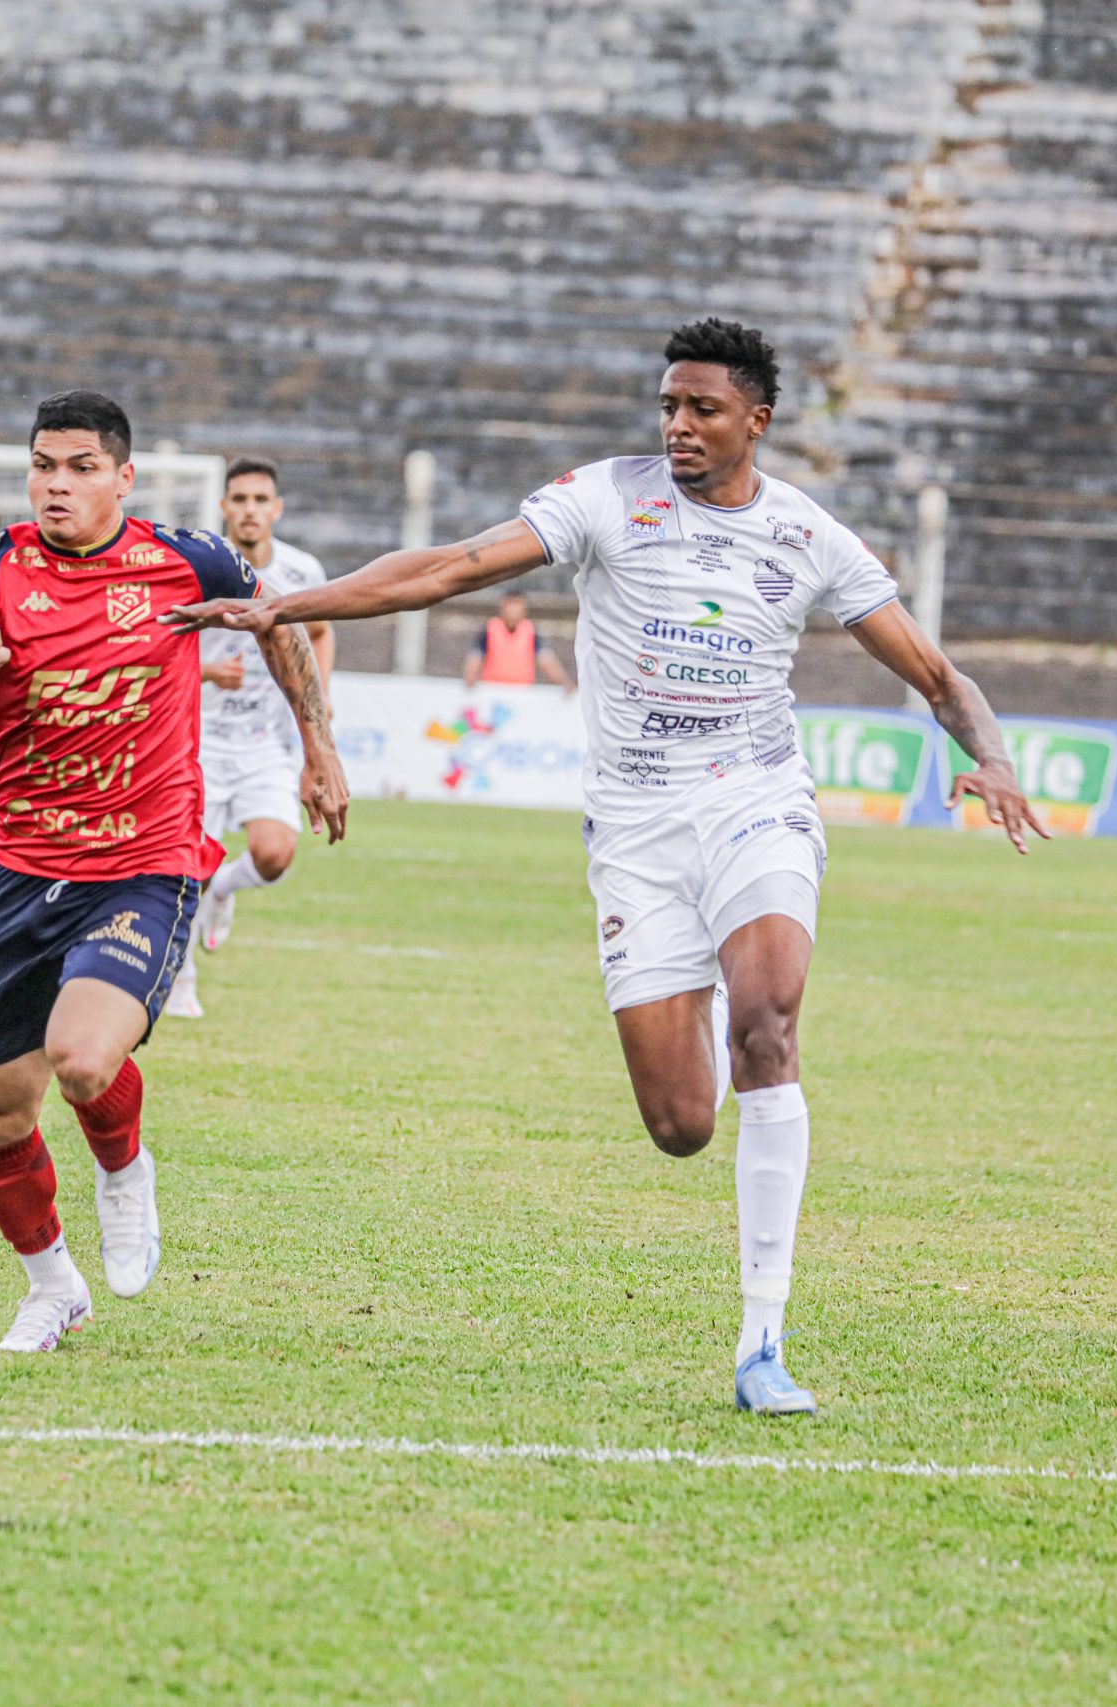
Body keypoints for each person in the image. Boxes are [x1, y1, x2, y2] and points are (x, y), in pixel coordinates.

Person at [173, 318, 1045, 1415]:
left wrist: (994, 754)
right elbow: (447, 567)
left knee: (769, 1025)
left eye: (702, 410)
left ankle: (762, 1342)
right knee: (681, 1124)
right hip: (634, 832)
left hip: (755, 801)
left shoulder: (807, 537)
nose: (677, 426)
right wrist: (284, 603)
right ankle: (722, 994)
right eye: (668, 407)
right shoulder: (604, 498)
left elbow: (931, 669)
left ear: (755, 422)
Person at [0, 391, 348, 1353]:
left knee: (84, 1056)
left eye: (79, 467)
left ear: (122, 476)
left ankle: (123, 1165)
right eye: (43, 466)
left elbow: (278, 625)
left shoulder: (182, 559)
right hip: (22, 871)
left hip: (144, 864)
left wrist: (317, 746)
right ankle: (52, 1284)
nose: (57, 484)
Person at [167, 456, 336, 1019]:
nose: (249, 510)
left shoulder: (301, 570)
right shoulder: (201, 566)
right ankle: (182, 981)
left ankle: (225, 889)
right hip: (201, 740)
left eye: (260, 500)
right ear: (224, 508)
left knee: (274, 853)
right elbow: (162, 647)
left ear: (276, 509)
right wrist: (208, 673)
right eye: (239, 500)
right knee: (186, 868)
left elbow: (319, 630)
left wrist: (319, 702)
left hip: (264, 740)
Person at [463, 589, 572, 692]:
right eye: (510, 604)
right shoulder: (490, 629)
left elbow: (545, 659)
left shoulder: (530, 630)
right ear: (503, 606)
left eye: (518, 604)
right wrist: (470, 676)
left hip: (522, 693)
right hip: (494, 690)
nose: (513, 609)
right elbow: (476, 656)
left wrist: (562, 681)